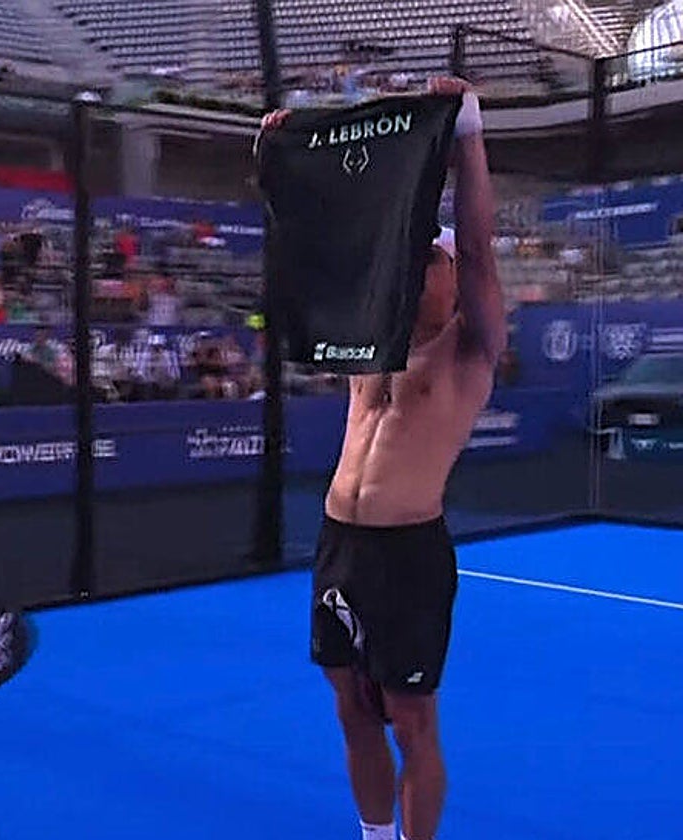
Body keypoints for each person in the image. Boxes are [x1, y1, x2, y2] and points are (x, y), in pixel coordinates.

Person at [261, 78, 505, 840]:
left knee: (409, 720)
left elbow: (480, 243)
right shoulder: (373, 339)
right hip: (342, 544)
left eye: (428, 261)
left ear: (453, 280)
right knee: (351, 710)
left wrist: (466, 135)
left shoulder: (470, 350)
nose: (415, 267)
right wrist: (277, 163)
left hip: (407, 554)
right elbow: (327, 242)